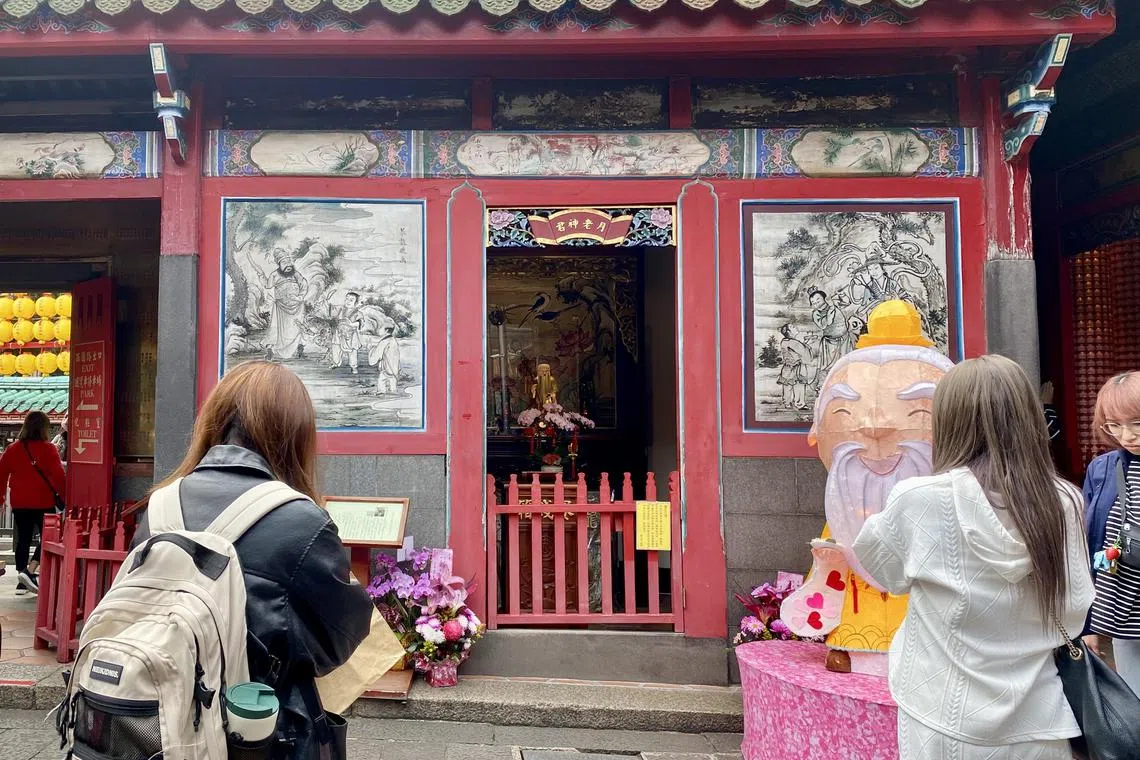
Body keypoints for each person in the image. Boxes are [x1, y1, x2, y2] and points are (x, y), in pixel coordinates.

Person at [853, 355, 1094, 760]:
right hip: (1039, 720)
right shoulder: (1065, 501)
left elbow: (884, 572)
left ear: (949, 421)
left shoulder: (918, 499)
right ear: (1028, 417)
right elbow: (1074, 607)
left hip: (940, 715)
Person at [129, 361, 372, 759]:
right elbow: (338, 642)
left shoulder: (161, 505)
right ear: (295, 434)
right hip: (255, 732)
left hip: (159, 723)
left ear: (214, 422)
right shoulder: (301, 520)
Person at [1083, 371, 1140, 692]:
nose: (1127, 435)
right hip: (1122, 607)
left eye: (1136, 423)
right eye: (1115, 425)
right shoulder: (1102, 469)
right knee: (1133, 696)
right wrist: (1092, 620)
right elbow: (1097, 544)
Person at [0, 411, 65, 596]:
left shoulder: (13, 449)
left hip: (20, 501)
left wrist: (1, 499)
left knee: (23, 539)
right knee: (49, 537)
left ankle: (22, 578)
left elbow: (1, 474)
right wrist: (66, 497)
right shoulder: (49, 449)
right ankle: (30, 571)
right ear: (44, 427)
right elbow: (59, 476)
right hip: (43, 500)